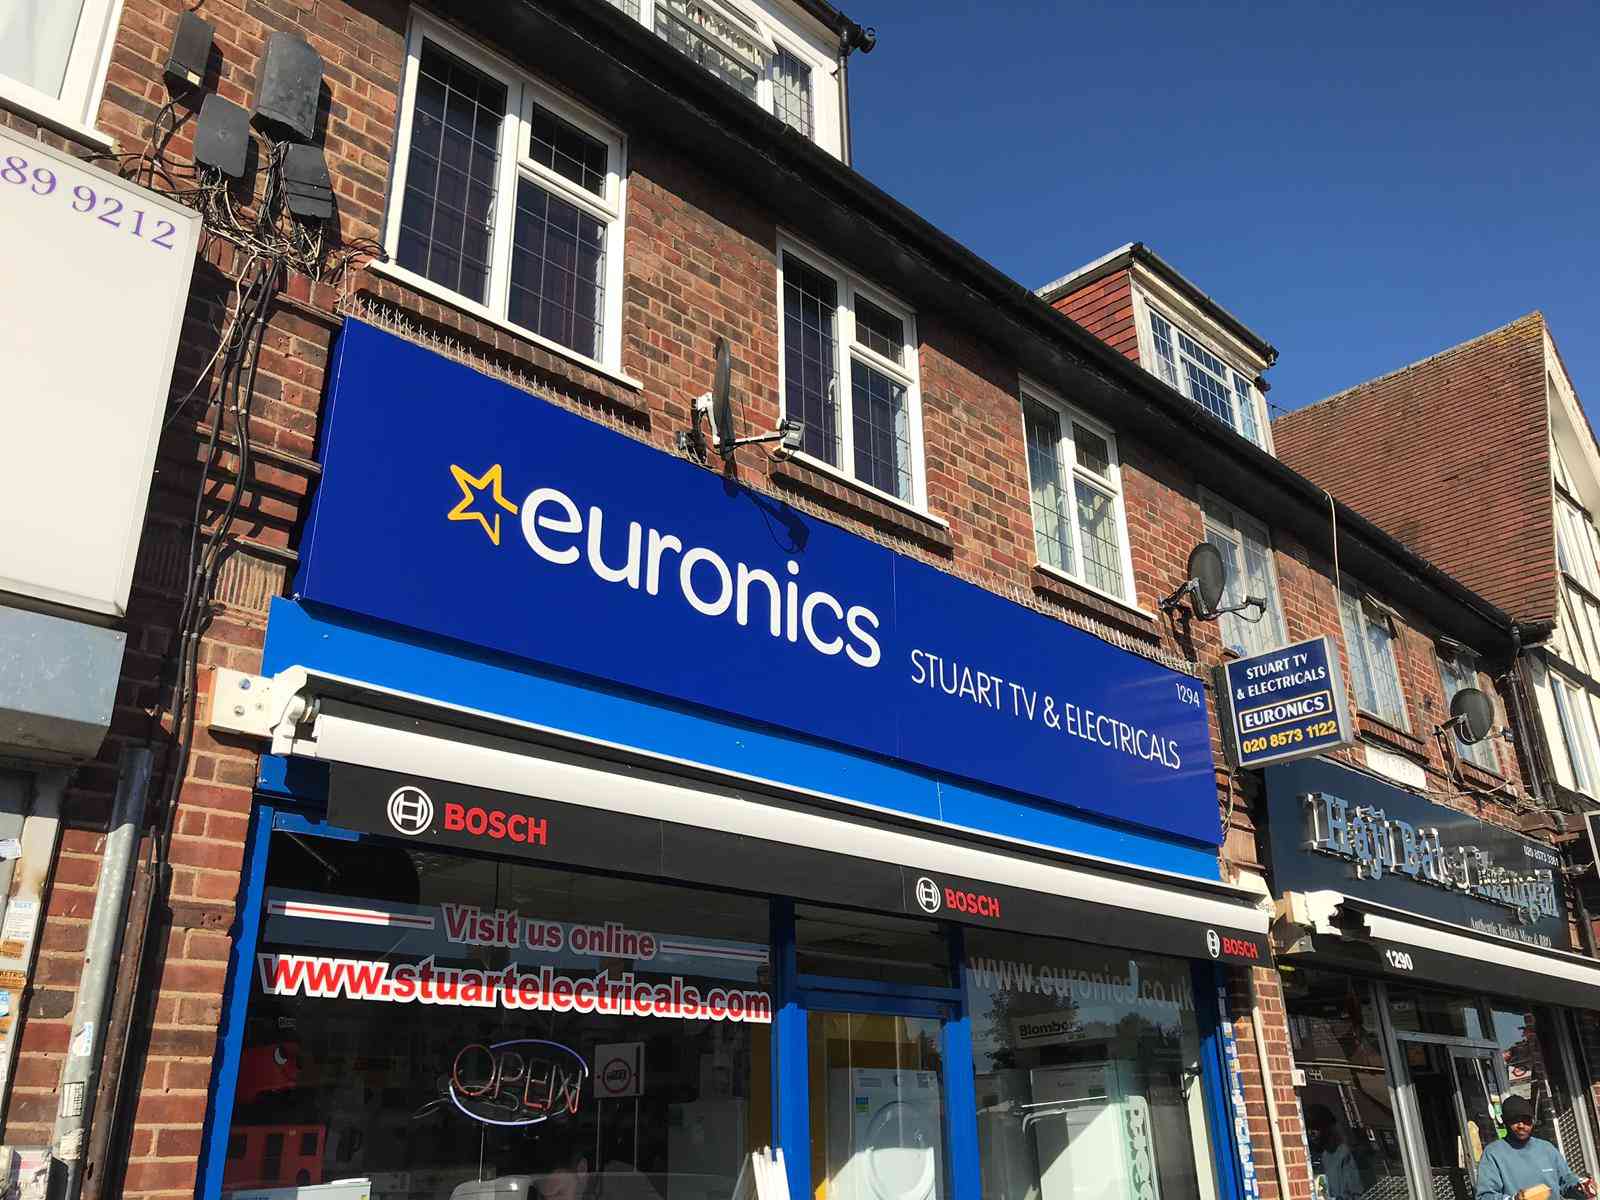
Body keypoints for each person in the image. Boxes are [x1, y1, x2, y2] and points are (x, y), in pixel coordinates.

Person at [1476, 1095, 1597, 1200]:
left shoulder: (1546, 1149)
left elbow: (1566, 1180)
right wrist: (1514, 1199)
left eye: (1526, 1120)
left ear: (1533, 1121)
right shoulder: (1494, 1154)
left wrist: (1579, 1187)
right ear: (1505, 1121)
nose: (1521, 1125)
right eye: (1515, 1120)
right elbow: (1484, 1196)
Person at [1305, 1104, 1363, 1200]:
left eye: (1316, 1128)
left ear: (1327, 1129)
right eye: (1308, 1128)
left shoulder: (1341, 1154)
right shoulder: (1306, 1156)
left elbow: (1355, 1192)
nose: (1311, 1133)